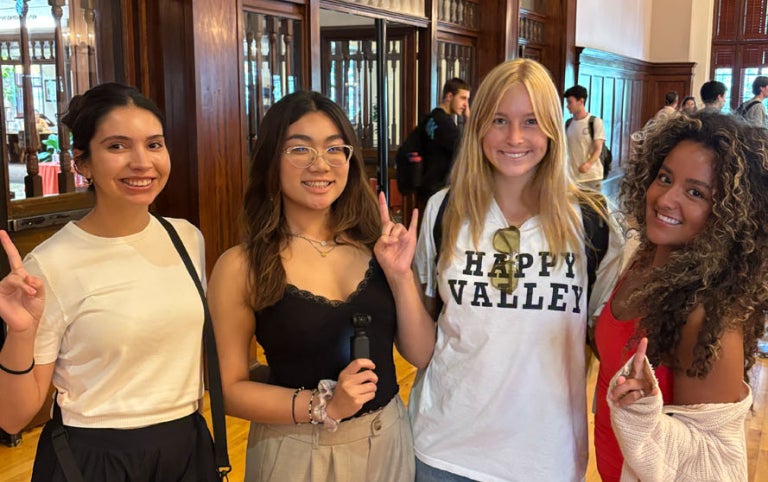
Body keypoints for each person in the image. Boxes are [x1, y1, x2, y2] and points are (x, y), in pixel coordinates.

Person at [410, 58, 624, 481]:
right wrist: (398, 276)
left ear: (551, 127)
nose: (514, 138)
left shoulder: (593, 220)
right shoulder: (444, 210)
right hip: (443, 450)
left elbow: (606, 336)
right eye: (499, 121)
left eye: (530, 121)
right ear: (477, 127)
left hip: (545, 456)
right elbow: (424, 333)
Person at [207, 90, 435, 481]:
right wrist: (322, 405)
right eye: (300, 150)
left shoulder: (375, 245)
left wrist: (400, 276)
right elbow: (227, 388)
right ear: (271, 161)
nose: (320, 164)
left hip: (387, 440)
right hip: (295, 450)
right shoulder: (241, 266)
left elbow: (421, 353)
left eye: (334, 149)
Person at [0, 83, 220, 481]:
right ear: (82, 163)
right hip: (94, 458)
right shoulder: (51, 264)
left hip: (186, 446)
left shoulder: (187, 238)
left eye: (154, 144)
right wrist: (18, 334)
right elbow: (13, 418)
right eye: (117, 146)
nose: (142, 162)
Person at [598, 111, 767, 481]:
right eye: (664, 178)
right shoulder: (645, 259)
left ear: (728, 214)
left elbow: (715, 460)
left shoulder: (705, 316)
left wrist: (642, 411)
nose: (665, 199)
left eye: (695, 192)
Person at [416, 77, 471, 210]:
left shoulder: (430, 118)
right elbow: (467, 150)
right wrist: (470, 121)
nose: (466, 105)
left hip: (426, 187)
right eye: (463, 98)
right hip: (440, 190)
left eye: (467, 100)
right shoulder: (445, 123)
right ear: (449, 96)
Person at [564, 84, 607, 191]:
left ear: (581, 101)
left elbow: (598, 148)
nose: (567, 106)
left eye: (570, 102)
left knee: (591, 207)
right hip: (573, 176)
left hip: (591, 177)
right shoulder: (568, 123)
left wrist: (588, 164)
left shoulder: (595, 122)